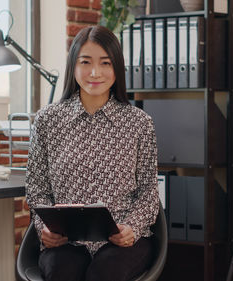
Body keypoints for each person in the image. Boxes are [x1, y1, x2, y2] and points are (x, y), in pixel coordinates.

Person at [25, 25, 159, 281]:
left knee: (104, 274)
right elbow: (37, 189)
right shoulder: (47, 121)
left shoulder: (139, 123)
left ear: (116, 68)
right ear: (73, 66)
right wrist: (45, 228)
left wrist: (131, 228)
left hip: (121, 241)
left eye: (105, 63)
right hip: (66, 242)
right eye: (85, 62)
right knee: (61, 273)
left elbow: (148, 192)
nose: (95, 73)